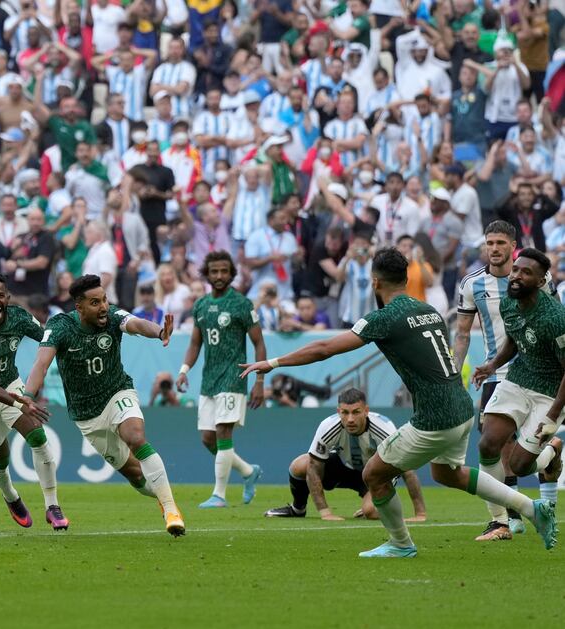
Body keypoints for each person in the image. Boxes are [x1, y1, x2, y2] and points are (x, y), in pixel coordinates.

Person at [241, 248, 557, 557]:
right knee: (448, 473)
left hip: (435, 417)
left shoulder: (386, 318)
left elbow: (325, 347)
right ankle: (531, 508)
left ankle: (401, 544)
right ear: (406, 279)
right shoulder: (428, 310)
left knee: (373, 475)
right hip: (461, 407)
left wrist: (273, 363)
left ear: (375, 282)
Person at [24, 274, 185, 537]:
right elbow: (41, 364)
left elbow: (136, 324)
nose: (103, 307)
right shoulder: (60, 326)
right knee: (136, 474)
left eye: (105, 300)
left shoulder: (112, 316)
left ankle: (171, 509)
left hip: (117, 392)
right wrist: (28, 396)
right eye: (95, 302)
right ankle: (160, 498)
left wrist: (159, 332)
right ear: (79, 306)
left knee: (135, 436)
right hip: (87, 415)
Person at [0, 272, 68, 530]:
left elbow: (46, 338)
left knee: (38, 437)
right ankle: (10, 496)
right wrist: (21, 402)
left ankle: (52, 506)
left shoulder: (19, 317)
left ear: (7, 297)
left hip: (10, 384)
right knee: (0, 457)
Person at [471, 248, 565, 544]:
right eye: (516, 270)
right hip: (518, 380)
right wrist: (492, 365)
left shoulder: (555, 318)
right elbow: (514, 338)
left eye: (526, 273)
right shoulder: (509, 304)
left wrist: (552, 418)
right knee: (487, 444)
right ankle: (499, 521)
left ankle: (552, 450)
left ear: (540, 282)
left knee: (521, 466)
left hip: (549, 393)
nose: (516, 276)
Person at [453, 221, 534, 539]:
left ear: (513, 245)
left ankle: (551, 458)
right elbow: (461, 335)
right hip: (495, 374)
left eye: (501, 242)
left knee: (526, 450)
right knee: (492, 441)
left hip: (533, 371)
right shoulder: (472, 284)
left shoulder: (535, 278)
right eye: (490, 243)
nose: (495, 248)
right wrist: (452, 374)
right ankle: (509, 515)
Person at [176, 251, 266, 508]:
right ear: (207, 273)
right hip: (209, 379)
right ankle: (249, 472)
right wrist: (184, 369)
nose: (219, 276)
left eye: (224, 271)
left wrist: (259, 381)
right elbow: (195, 342)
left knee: (223, 432)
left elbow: (259, 343)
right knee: (208, 438)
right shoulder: (201, 305)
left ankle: (219, 495)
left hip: (234, 376)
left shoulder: (242, 304)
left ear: (231, 274)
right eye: (214, 271)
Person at [264, 388, 427, 522]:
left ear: (366, 411)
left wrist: (420, 514)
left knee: (370, 512)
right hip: (343, 467)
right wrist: (325, 512)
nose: (350, 419)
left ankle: (370, 506)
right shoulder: (328, 426)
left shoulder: (385, 428)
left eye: (356, 412)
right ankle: (297, 509)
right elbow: (314, 467)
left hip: (373, 474)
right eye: (345, 412)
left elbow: (407, 469)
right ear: (338, 411)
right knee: (299, 465)